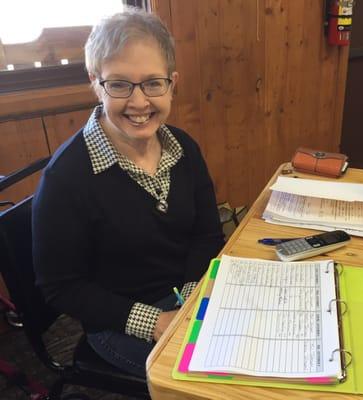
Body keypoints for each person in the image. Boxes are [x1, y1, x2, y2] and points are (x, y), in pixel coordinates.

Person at [32, 9, 224, 379]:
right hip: (117, 320)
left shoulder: (184, 147)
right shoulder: (67, 178)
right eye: (119, 84)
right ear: (95, 82)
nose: (139, 103)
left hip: (188, 295)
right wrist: (156, 322)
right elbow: (62, 288)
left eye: (153, 83)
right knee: (219, 383)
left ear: (173, 83)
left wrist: (189, 298)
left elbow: (206, 234)